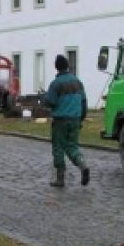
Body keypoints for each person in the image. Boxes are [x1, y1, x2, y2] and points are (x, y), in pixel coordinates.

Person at [43, 54, 90, 187]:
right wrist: (81, 118)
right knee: (72, 146)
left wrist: (44, 99)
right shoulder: (77, 81)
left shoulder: (56, 83)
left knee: (58, 147)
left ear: (56, 67)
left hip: (60, 121)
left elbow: (50, 101)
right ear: (68, 66)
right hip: (75, 119)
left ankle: (60, 179)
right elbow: (84, 101)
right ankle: (83, 165)